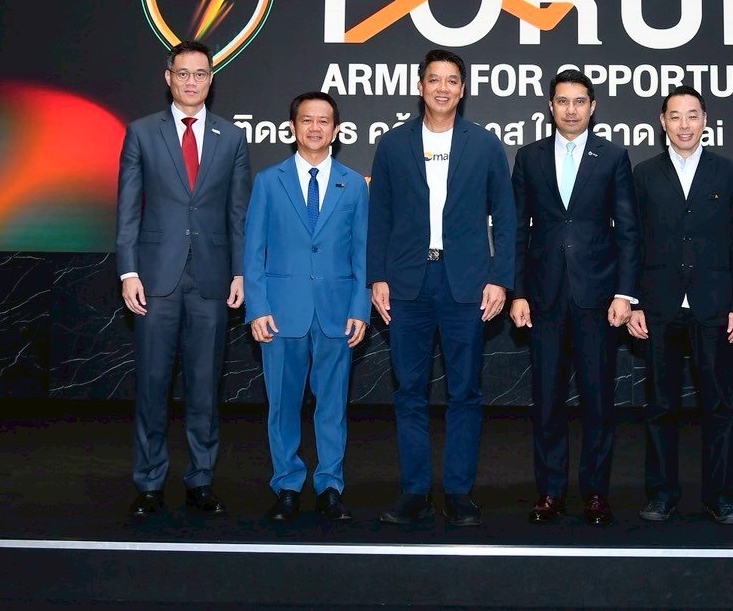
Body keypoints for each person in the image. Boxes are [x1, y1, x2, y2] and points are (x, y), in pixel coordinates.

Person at [368, 47, 515, 526]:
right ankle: (415, 492)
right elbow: (379, 216)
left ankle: (458, 491)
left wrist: (500, 279)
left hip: (465, 284)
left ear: (463, 89)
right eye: (434, 79)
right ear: (420, 86)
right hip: (407, 284)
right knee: (409, 391)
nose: (443, 88)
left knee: (465, 392)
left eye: (452, 80)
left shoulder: (486, 144)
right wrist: (377, 277)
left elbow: (506, 218)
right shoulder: (393, 144)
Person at [116, 39, 250, 519]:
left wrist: (241, 271)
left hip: (213, 279)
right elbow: (128, 209)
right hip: (155, 278)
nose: (192, 81)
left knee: (205, 387)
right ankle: (150, 482)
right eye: (184, 73)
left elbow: (238, 213)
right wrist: (128, 270)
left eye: (201, 73)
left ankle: (201, 480)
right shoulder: (141, 133)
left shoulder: (231, 137)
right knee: (152, 385)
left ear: (211, 80)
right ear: (168, 77)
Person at [509, 69, 641, 527]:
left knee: (598, 400)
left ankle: (595, 493)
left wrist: (625, 293)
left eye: (579, 101)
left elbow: (628, 230)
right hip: (542, 298)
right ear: (550, 106)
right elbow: (517, 231)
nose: (571, 110)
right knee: (546, 400)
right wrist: (518, 292)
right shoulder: (528, 157)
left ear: (593, 106)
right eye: (562, 101)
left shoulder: (614, 156)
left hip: (598, 297)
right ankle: (549, 492)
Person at [627, 85, 733, 526]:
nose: (684, 124)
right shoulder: (644, 174)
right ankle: (662, 494)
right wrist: (633, 301)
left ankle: (722, 497)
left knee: (718, 407)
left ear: (705, 121)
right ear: (662, 122)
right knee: (661, 407)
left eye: (692, 115)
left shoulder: (727, 172)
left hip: (714, 306)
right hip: (658, 306)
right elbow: (632, 243)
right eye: (675, 116)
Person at [242, 91, 369, 523]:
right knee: (283, 405)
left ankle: (330, 485)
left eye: (324, 121)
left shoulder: (354, 184)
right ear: (292, 127)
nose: (315, 127)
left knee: (332, 406)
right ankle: (287, 485)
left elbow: (362, 253)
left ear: (337, 130)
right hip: (280, 313)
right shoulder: (268, 181)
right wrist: (257, 307)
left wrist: (360, 308)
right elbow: (253, 251)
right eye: (306, 120)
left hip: (338, 313)